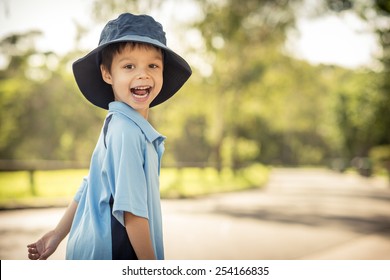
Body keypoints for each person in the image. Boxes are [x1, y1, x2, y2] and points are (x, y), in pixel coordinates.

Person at [27, 13, 191, 260]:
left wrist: (57, 233)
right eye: (129, 66)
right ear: (107, 74)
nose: (143, 75)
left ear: (163, 71)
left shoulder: (117, 124)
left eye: (153, 66)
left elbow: (90, 184)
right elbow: (133, 214)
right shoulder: (126, 131)